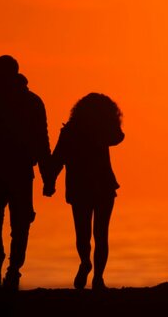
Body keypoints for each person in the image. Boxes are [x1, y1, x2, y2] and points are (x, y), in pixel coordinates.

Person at [0, 55, 54, 291]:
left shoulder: (32, 102)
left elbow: (41, 141)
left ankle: (13, 269)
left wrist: (47, 177)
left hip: (19, 171)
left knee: (21, 222)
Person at [47, 93, 124, 291]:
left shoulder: (70, 131)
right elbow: (119, 136)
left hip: (79, 187)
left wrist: (49, 182)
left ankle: (85, 263)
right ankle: (98, 278)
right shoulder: (103, 132)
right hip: (103, 186)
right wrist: (109, 119)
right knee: (101, 234)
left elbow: (57, 159)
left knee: (83, 233)